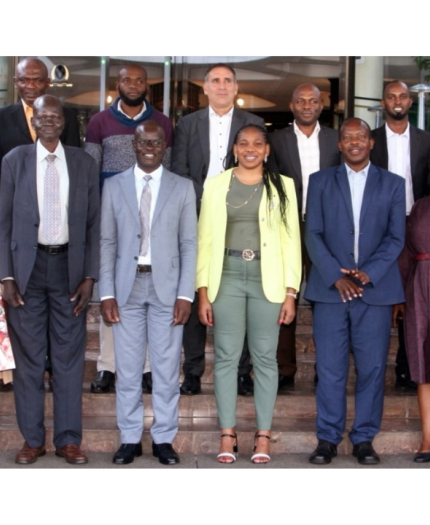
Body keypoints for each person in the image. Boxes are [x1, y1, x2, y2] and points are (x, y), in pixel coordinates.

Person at [0, 95, 100, 465]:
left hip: (69, 272)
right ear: (34, 121)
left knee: (68, 360)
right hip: (25, 273)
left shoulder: (83, 162)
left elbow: (93, 223)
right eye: (42, 117)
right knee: (28, 361)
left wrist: (90, 275)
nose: (48, 122)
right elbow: (3, 222)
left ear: (64, 121)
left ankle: (68, 440)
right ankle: (32, 440)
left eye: (55, 117)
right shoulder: (15, 161)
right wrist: (5, 275)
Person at [197, 124, 301, 464]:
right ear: (235, 149)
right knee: (226, 358)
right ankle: (227, 434)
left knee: (265, 359)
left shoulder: (283, 186)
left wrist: (291, 292)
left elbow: (291, 243)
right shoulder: (215, 186)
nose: (251, 148)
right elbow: (205, 240)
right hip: (225, 277)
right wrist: (202, 290)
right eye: (244, 143)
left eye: (258, 143)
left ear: (267, 149)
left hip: (266, 280)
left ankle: (263, 436)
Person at [305, 118, 406, 466]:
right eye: (347, 137)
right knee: (330, 368)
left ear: (371, 142)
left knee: (372, 368)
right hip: (331, 291)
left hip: (374, 291)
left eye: (360, 136)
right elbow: (312, 233)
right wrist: (336, 275)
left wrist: (368, 272)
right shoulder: (319, 181)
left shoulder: (393, 184)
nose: (354, 142)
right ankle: (327, 439)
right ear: (340, 144)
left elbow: (396, 237)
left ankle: (364, 438)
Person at [99, 121, 197, 466]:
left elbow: (189, 244)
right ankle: (129, 438)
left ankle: (163, 439)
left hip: (167, 290)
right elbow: (107, 241)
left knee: (167, 370)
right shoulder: (113, 186)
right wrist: (106, 292)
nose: (150, 147)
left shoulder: (183, 188)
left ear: (164, 146)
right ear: (134, 145)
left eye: (156, 142)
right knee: (126, 370)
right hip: (125, 288)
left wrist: (186, 295)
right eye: (144, 142)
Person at [172, 63, 264, 397]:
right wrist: (204, 203)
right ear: (206, 88)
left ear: (236, 88)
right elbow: (179, 172)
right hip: (196, 216)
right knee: (199, 287)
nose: (222, 86)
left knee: (237, 293)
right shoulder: (187, 124)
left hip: (241, 220)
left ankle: (242, 371)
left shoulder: (253, 125)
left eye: (227, 81)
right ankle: (193, 371)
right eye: (215, 81)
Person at [85, 64, 173, 395]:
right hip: (115, 217)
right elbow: (90, 175)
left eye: (139, 80)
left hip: (153, 216)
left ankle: (148, 368)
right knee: (114, 291)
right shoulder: (99, 122)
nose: (133, 85)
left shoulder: (163, 123)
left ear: (147, 85)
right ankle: (108, 366)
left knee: (151, 293)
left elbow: (171, 169)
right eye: (126, 80)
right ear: (117, 84)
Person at [0, 57, 81, 392]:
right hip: (20, 239)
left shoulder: (70, 117)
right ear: (16, 83)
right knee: (27, 339)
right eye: (24, 80)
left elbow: (72, 172)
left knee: (63, 342)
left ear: (48, 83)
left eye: (37, 80)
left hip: (60, 244)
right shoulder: (3, 119)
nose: (30, 85)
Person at [270, 83, 340, 390]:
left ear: (321, 106)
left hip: (328, 231)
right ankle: (285, 369)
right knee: (285, 298)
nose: (307, 105)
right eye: (301, 101)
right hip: (288, 229)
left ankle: (326, 369)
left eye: (313, 101)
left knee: (328, 302)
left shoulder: (337, 140)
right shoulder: (276, 140)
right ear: (292, 105)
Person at [371, 80, 430, 391]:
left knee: (415, 296)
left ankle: (408, 367)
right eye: (391, 96)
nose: (397, 100)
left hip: (418, 226)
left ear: (410, 102)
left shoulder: (425, 140)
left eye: (403, 96)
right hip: (380, 228)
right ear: (383, 102)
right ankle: (375, 364)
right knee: (383, 294)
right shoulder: (370, 140)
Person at [396, 196, 430, 463]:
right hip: (419, 284)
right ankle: (427, 440)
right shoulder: (420, 206)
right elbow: (407, 251)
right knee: (422, 362)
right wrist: (400, 295)